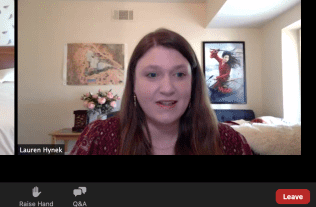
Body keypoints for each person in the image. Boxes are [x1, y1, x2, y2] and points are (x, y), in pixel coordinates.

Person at [70, 28, 252, 155]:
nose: (167, 89)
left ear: (194, 83)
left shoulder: (230, 142)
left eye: (180, 74)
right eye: (152, 74)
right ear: (133, 83)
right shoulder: (97, 138)